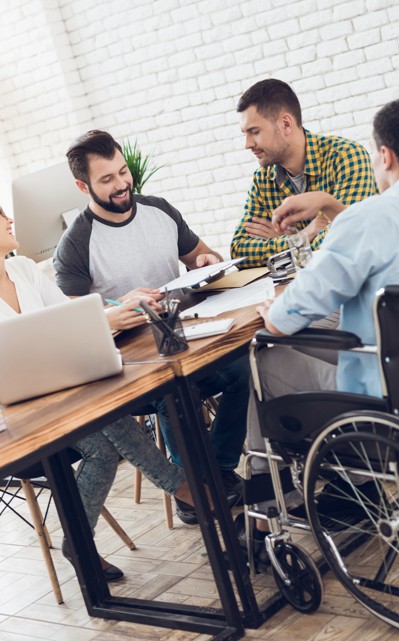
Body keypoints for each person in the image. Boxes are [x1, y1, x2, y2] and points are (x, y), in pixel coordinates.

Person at [244, 96, 399, 543]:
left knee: (265, 356)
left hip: (398, 401)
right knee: (325, 326)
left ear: (385, 156)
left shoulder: (367, 219)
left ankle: (273, 501)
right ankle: (354, 485)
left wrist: (276, 313)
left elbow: (285, 320)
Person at [0, 194, 203, 581]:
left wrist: (113, 310)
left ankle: (82, 542)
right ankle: (187, 490)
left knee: (104, 438)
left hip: (55, 399)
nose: (10, 219)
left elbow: (68, 321)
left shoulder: (24, 269)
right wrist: (97, 321)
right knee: (103, 429)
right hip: (4, 420)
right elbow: (13, 356)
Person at [53, 130, 249, 525]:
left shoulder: (159, 210)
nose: (122, 184)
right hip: (134, 364)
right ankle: (193, 487)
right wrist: (118, 307)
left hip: (185, 335)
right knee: (176, 393)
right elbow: (72, 323)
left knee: (243, 367)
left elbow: (204, 257)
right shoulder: (76, 244)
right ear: (82, 185)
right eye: (106, 179)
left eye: (123, 172)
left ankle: (220, 469)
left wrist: (206, 261)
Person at [230, 78, 377, 268]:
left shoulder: (346, 156)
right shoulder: (263, 180)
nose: (247, 144)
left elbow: (345, 238)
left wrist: (285, 244)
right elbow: (239, 251)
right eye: (245, 134)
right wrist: (302, 236)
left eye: (255, 131)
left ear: (286, 124)